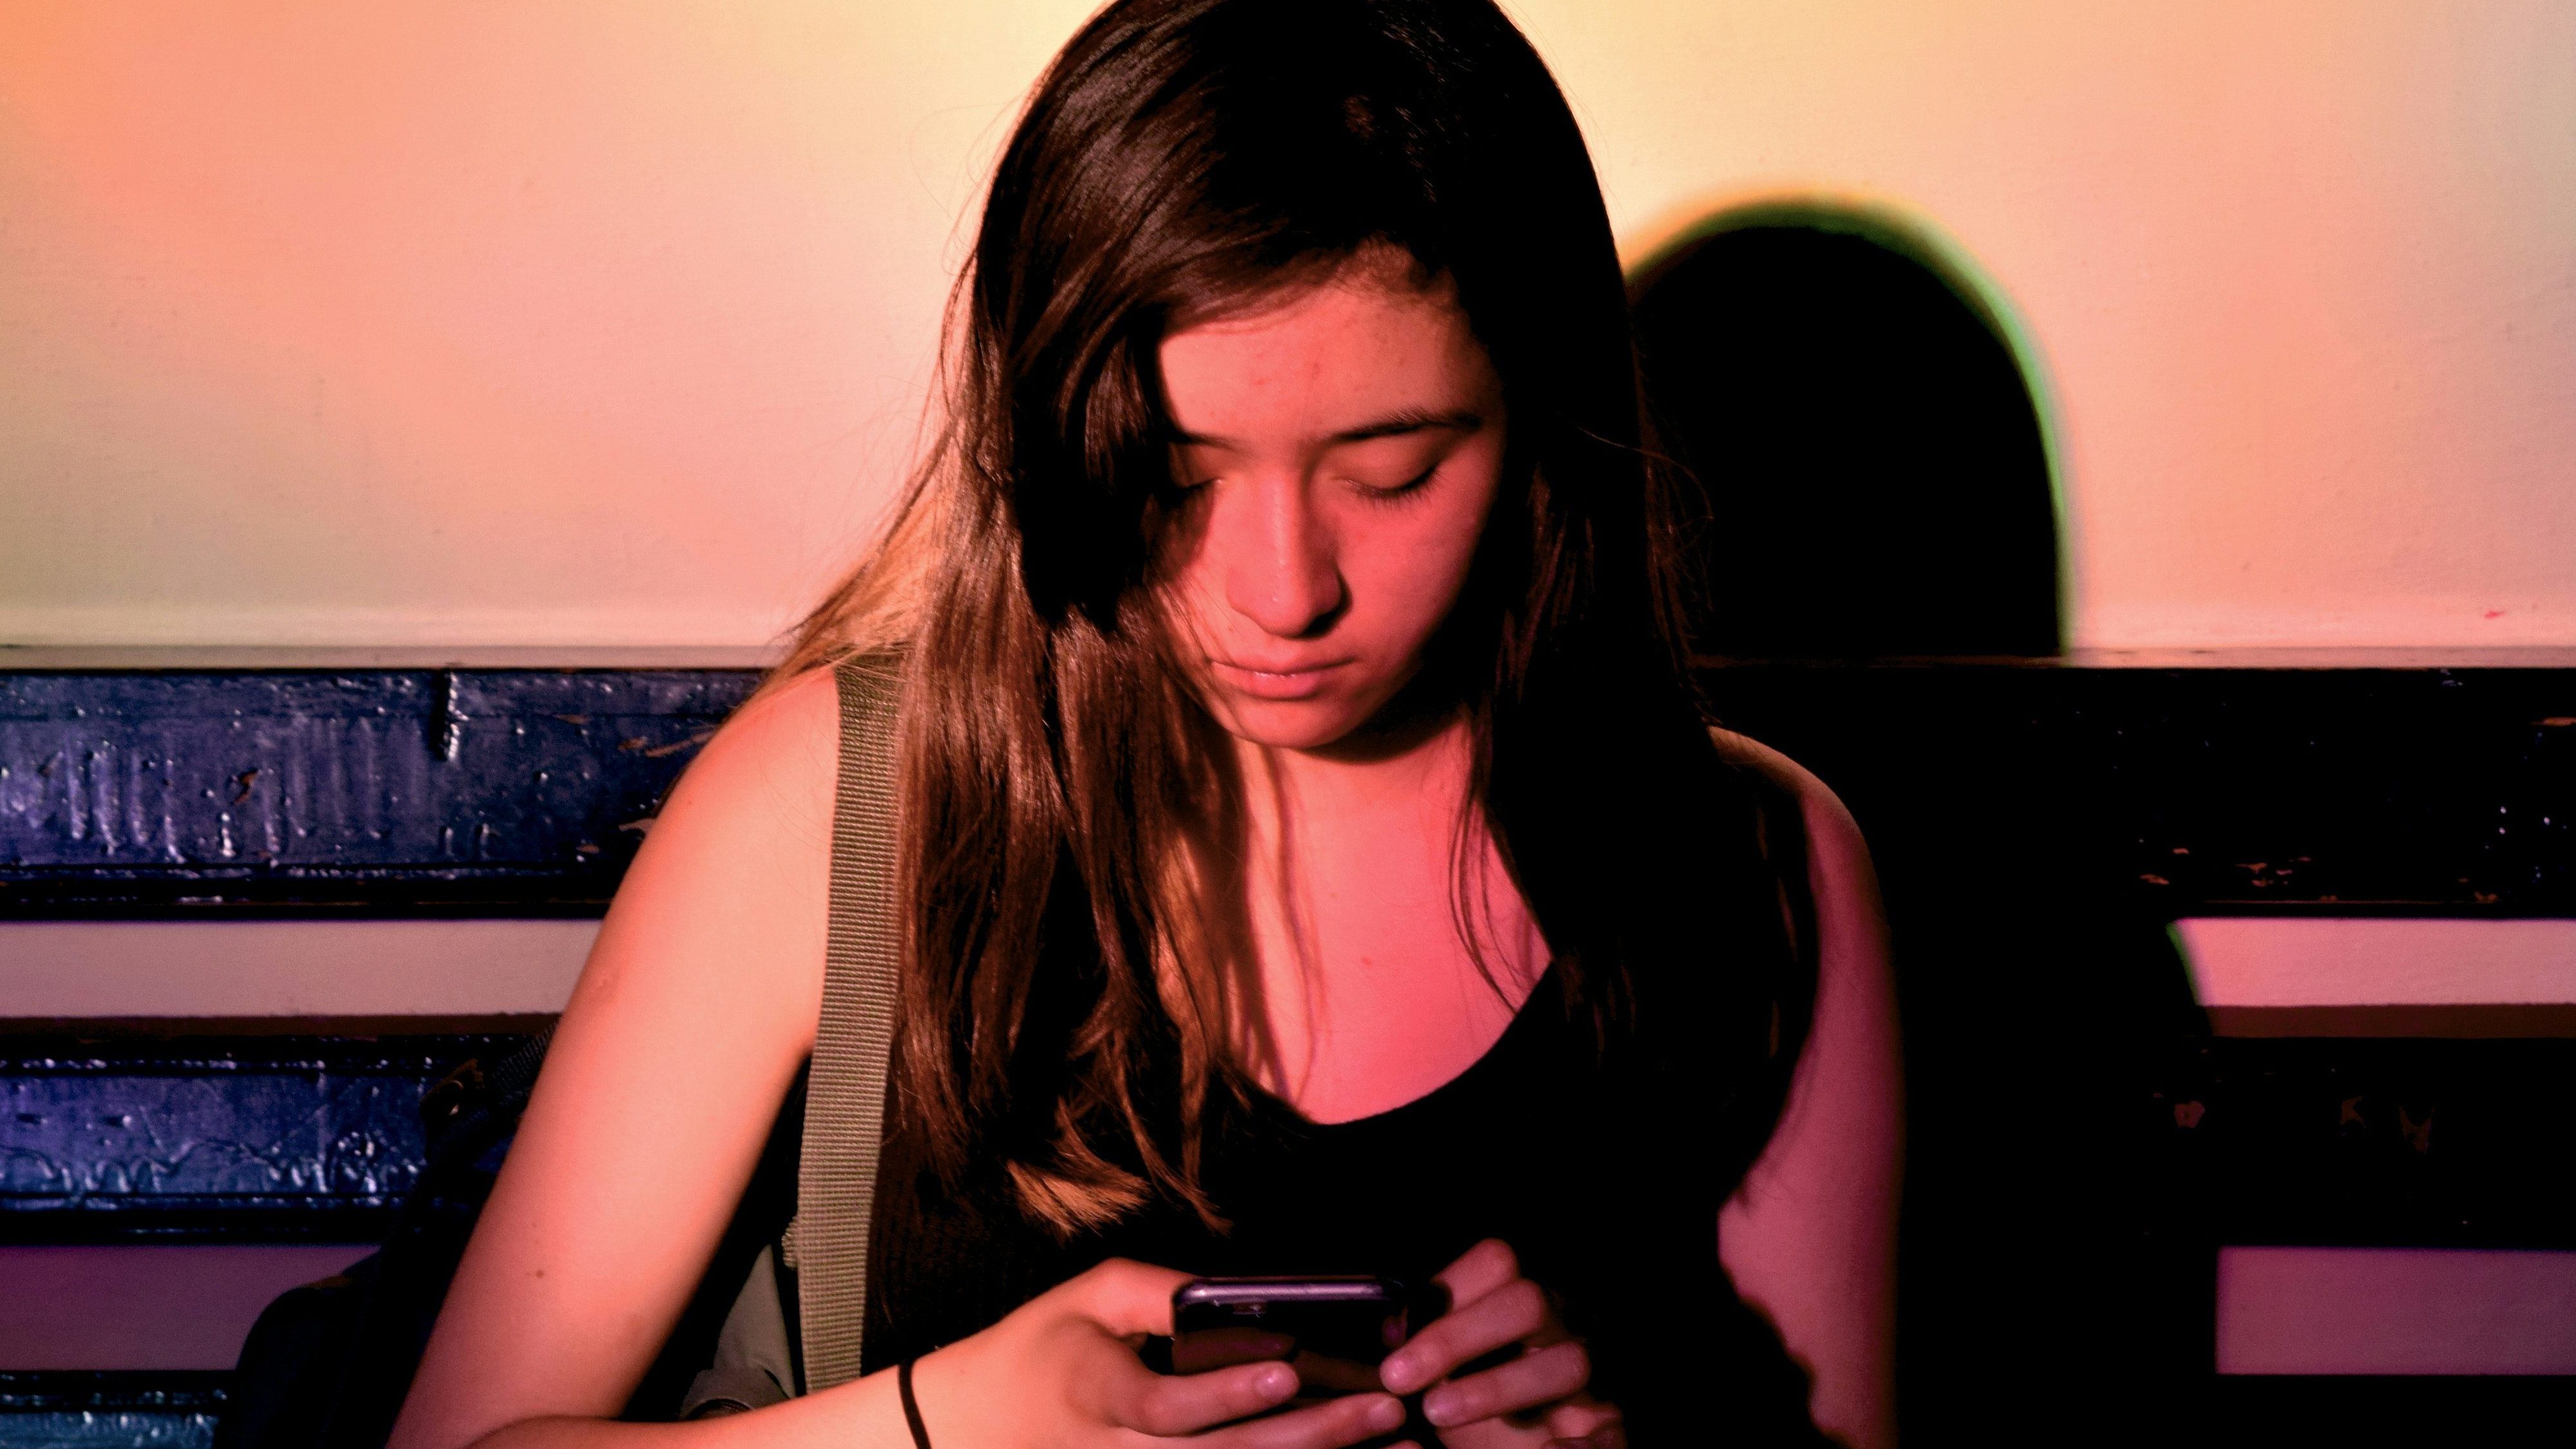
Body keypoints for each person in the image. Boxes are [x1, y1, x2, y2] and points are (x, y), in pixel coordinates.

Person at [389, 1, 1899, 1446]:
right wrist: (946, 1422)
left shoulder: (1751, 868)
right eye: (1174, 476)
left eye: (1391, 471)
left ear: (1539, 432)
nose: (1284, 592)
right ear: (1053, 433)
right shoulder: (839, 811)